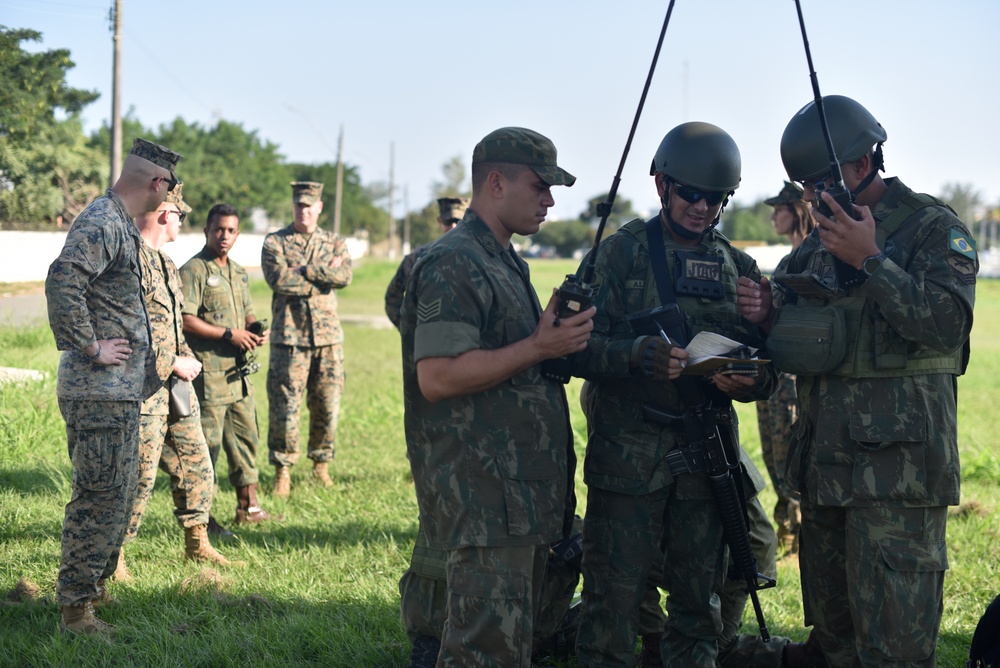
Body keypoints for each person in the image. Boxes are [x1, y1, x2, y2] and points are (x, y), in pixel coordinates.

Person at [737, 94, 978, 667]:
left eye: (820, 181)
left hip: (898, 482)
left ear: (863, 165)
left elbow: (946, 325)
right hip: (825, 473)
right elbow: (785, 336)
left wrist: (872, 261)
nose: (811, 197)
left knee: (894, 650)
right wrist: (767, 314)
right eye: (804, 186)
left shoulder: (931, 230)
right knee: (834, 646)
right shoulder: (815, 245)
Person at [570, 122, 792, 667]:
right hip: (628, 461)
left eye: (715, 198)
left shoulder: (737, 268)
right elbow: (569, 348)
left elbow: (768, 369)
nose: (701, 207)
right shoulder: (620, 254)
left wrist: (751, 374)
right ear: (661, 185)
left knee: (699, 607)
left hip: (706, 460)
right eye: (691, 193)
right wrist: (636, 355)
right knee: (612, 605)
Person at [399, 126, 594, 666]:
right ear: (496, 184)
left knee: (511, 645)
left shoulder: (504, 260)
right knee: (484, 653)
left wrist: (552, 342)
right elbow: (437, 376)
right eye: (540, 186)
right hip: (484, 497)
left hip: (517, 493)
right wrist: (537, 346)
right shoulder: (455, 261)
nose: (551, 200)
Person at [45, 137, 182, 634]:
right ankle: (74, 611)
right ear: (156, 182)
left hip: (120, 391)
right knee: (99, 496)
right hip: (97, 390)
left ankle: (92, 591)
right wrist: (89, 346)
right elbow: (63, 281)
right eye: (167, 188)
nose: (167, 198)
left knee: (117, 495)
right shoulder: (103, 221)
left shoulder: (119, 223)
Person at [117, 182, 232, 579]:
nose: (182, 222)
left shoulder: (165, 263)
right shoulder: (127, 259)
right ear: (167, 214)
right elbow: (126, 333)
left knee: (197, 463)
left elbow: (173, 325)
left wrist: (183, 361)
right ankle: (115, 556)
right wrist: (172, 361)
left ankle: (197, 542)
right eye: (180, 215)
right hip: (144, 390)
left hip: (177, 389)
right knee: (138, 477)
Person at [180, 203, 278, 527]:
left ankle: (248, 508)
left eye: (231, 230)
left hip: (238, 376)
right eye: (219, 229)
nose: (224, 236)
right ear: (207, 230)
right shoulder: (193, 270)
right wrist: (227, 334)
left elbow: (247, 313)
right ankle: (202, 519)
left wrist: (252, 331)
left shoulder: (238, 272)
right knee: (205, 448)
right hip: (208, 377)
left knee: (246, 439)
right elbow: (185, 320)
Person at [262, 181, 353, 496]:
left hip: (328, 341)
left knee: (328, 405)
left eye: (309, 205)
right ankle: (282, 471)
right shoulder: (275, 242)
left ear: (319, 207)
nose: (304, 210)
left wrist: (305, 270)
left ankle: (321, 466)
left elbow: (345, 276)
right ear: (293, 206)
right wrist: (323, 276)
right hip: (290, 339)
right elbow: (280, 281)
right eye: (299, 205)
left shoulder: (335, 243)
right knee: (285, 407)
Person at [754, 181, 816, 556]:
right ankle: (787, 532)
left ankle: (796, 538)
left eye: (780, 209)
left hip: (794, 379)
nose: (774, 215)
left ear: (797, 210)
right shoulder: (787, 261)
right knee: (773, 454)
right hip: (774, 375)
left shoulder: (814, 258)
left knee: (791, 452)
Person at [384, 196, 468, 329]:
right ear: (440, 221)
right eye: (448, 221)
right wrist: (409, 331)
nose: (453, 226)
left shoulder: (479, 258)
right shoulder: (418, 258)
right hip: (428, 343)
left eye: (457, 221)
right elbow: (393, 298)